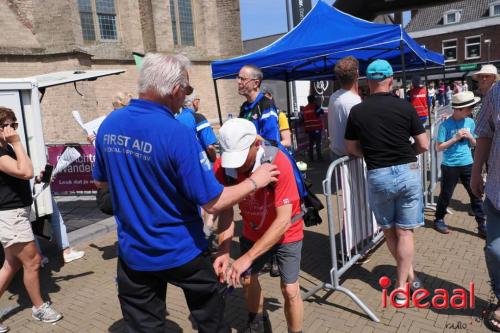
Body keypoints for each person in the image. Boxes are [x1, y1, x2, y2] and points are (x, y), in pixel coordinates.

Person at [92, 53, 279, 333]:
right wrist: (256, 181)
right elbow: (214, 202)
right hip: (181, 250)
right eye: (188, 90)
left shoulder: (110, 125)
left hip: (135, 254)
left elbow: (102, 186)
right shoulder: (175, 133)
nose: (187, 97)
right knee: (211, 321)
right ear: (176, 90)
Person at [344, 60, 429, 305]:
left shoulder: (357, 111)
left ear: (367, 83)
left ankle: (405, 281)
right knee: (405, 231)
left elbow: (351, 147)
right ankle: (404, 285)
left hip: (378, 173)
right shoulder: (405, 106)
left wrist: (371, 153)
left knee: (389, 230)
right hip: (408, 170)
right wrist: (405, 154)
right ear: (390, 80)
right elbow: (423, 144)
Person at [213, 118, 304, 333]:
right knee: (247, 280)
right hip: (253, 230)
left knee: (290, 289)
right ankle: (258, 324)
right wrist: (224, 250)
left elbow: (283, 221)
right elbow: (226, 209)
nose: (237, 166)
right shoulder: (224, 167)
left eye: (242, 158)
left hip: (287, 230)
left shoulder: (277, 162)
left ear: (256, 143)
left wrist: (246, 257)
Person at [0, 107, 62, 331]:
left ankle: (38, 306)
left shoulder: (5, 149)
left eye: (14, 125)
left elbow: (22, 175)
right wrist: (17, 142)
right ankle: (39, 307)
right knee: (33, 261)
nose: (12, 129)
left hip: (17, 214)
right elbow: (23, 171)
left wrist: (38, 178)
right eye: (7, 125)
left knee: (11, 264)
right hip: (11, 217)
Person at [433, 91, 486, 236]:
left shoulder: (470, 122)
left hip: (468, 164)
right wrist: (455, 138)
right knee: (446, 194)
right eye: (469, 108)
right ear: (459, 109)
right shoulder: (446, 125)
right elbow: (438, 147)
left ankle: (482, 225)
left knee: (475, 194)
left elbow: (476, 143)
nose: (471, 110)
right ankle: (438, 219)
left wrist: (469, 137)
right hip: (450, 165)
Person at [471, 81, 500, 332]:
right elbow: (485, 133)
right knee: (494, 250)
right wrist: (475, 172)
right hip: (497, 191)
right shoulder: (497, 92)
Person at [327, 56, 361, 159]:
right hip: (350, 159)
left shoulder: (333, 97)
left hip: (336, 154)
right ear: (357, 74)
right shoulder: (354, 102)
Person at [237, 65, 280, 145]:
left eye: (243, 79)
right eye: (238, 78)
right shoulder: (244, 107)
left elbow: (271, 141)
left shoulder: (266, 105)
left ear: (256, 83)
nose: (239, 82)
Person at [176, 90, 218, 162]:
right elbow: (210, 147)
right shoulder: (198, 118)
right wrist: (214, 160)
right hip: (201, 164)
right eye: (198, 100)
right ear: (194, 102)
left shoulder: (175, 119)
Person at [300, 95, 324, 161]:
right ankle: (319, 157)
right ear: (314, 100)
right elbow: (321, 112)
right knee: (318, 143)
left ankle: (311, 158)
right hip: (316, 128)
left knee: (310, 144)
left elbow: (302, 119)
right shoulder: (316, 107)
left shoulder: (304, 109)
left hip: (309, 129)